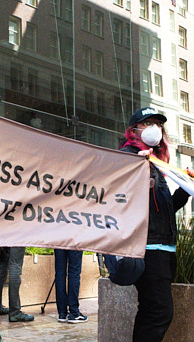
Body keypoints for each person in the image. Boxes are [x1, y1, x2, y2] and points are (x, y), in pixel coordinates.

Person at [120, 107, 193, 341]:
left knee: (151, 310)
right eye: (148, 123)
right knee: (160, 312)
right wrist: (134, 171)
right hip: (149, 248)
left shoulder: (157, 162)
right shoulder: (130, 157)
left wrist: (186, 188)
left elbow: (166, 209)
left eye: (159, 124)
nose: (155, 128)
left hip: (164, 247)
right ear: (134, 129)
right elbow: (119, 197)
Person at [0, 247, 34, 322]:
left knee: (2, 266)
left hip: (3, 236)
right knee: (15, 265)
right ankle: (15, 312)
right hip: (17, 237)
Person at [54, 249, 88, 323]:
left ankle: (62, 313)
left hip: (58, 241)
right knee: (74, 272)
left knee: (60, 273)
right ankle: (74, 312)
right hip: (74, 240)